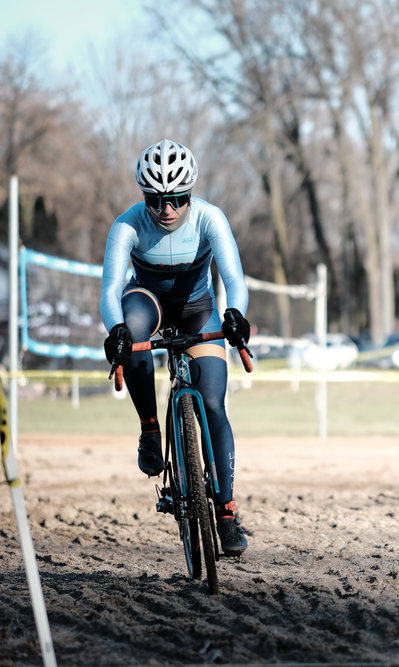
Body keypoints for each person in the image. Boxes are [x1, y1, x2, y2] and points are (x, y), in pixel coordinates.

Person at [100, 139, 251, 556]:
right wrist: (115, 329)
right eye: (156, 199)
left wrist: (235, 314)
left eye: (178, 198)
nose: (167, 209)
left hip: (197, 309)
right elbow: (110, 288)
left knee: (214, 405)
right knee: (131, 329)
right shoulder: (128, 225)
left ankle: (226, 512)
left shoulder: (209, 218)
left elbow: (235, 280)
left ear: (191, 193)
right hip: (147, 304)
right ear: (143, 196)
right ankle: (151, 428)